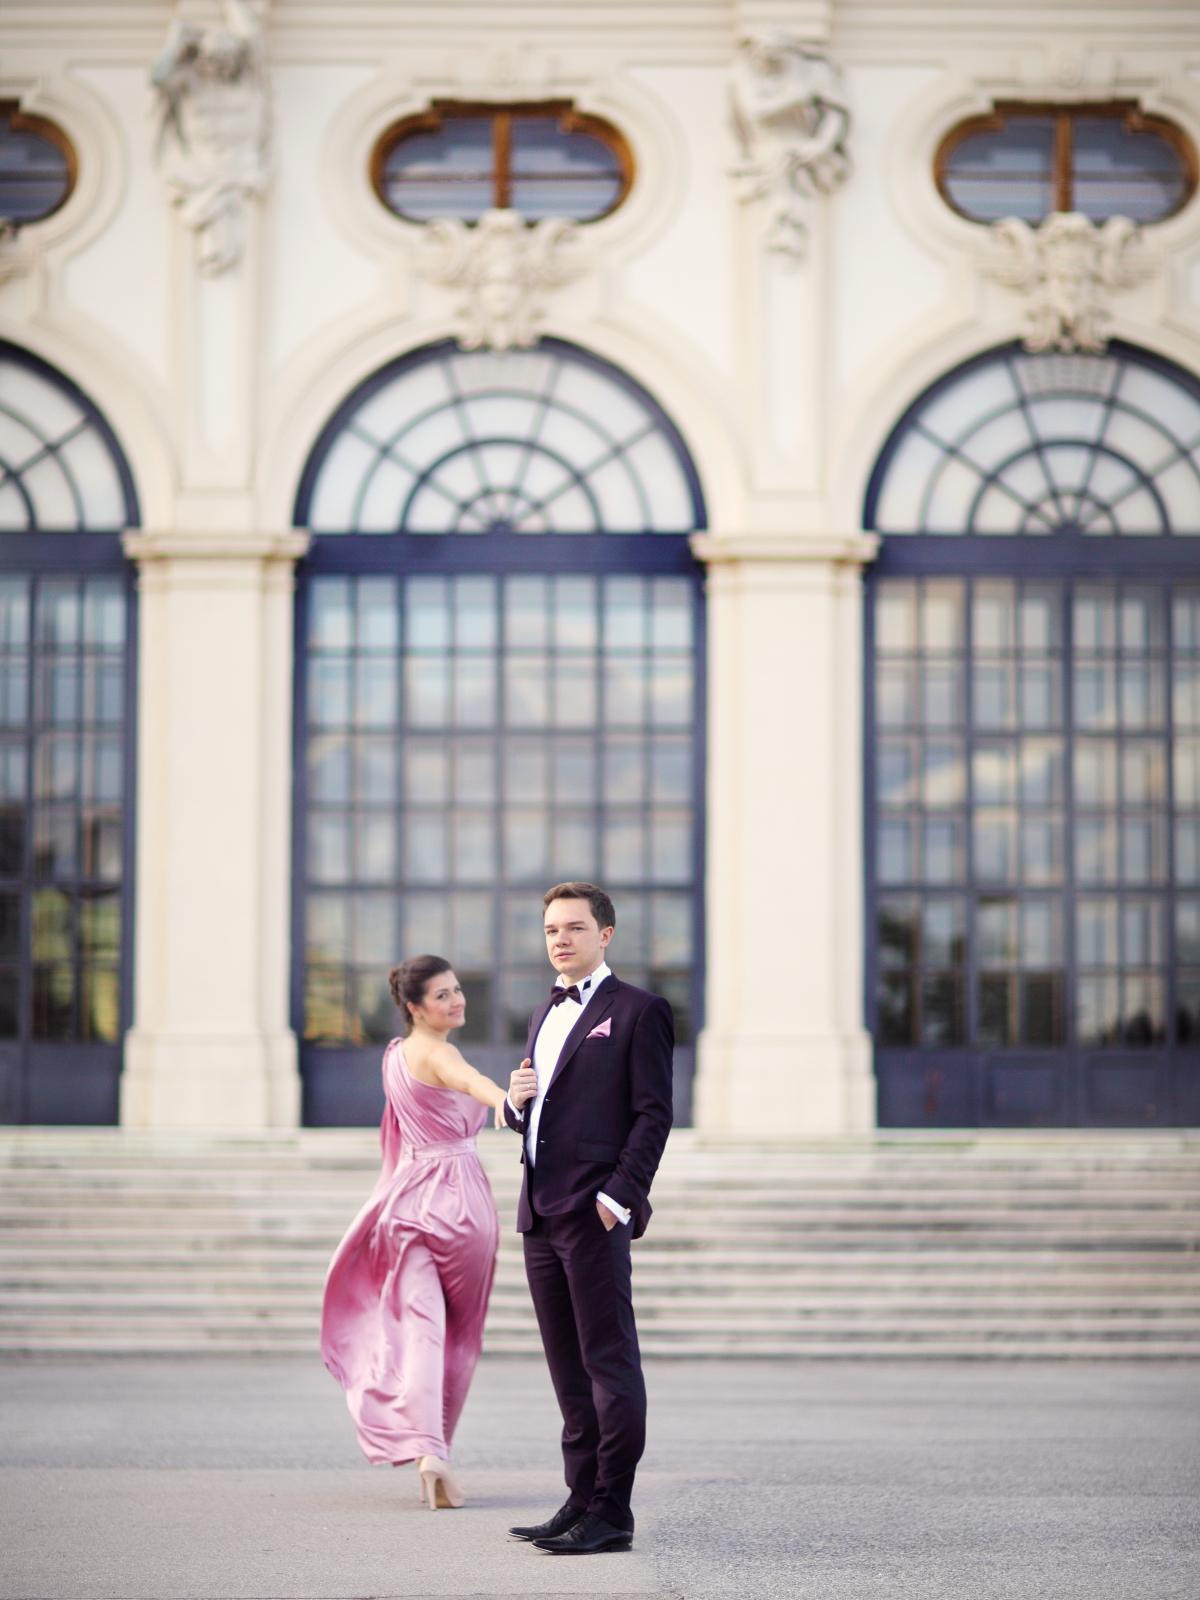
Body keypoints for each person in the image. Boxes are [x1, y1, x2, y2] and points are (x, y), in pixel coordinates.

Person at [502, 881, 674, 1555]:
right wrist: (518, 1105)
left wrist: (618, 1197)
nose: (561, 939)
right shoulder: (544, 1011)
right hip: (540, 1212)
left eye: (574, 927)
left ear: (605, 934)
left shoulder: (639, 1010)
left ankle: (612, 1513)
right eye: (551, 930)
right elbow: (549, 1111)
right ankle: (579, 1497)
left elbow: (653, 1114)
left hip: (593, 1212)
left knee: (608, 1364)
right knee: (567, 1368)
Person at [320, 954, 519, 1511]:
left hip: (407, 1202)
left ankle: (431, 1451)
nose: (457, 1001)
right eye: (442, 995)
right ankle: (435, 1449)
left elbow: (400, 1132)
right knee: (457, 1334)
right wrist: (503, 1099)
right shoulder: (441, 1052)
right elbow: (470, 1080)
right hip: (459, 1199)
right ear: (414, 1006)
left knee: (423, 1331)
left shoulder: (394, 1058)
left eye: (457, 990)